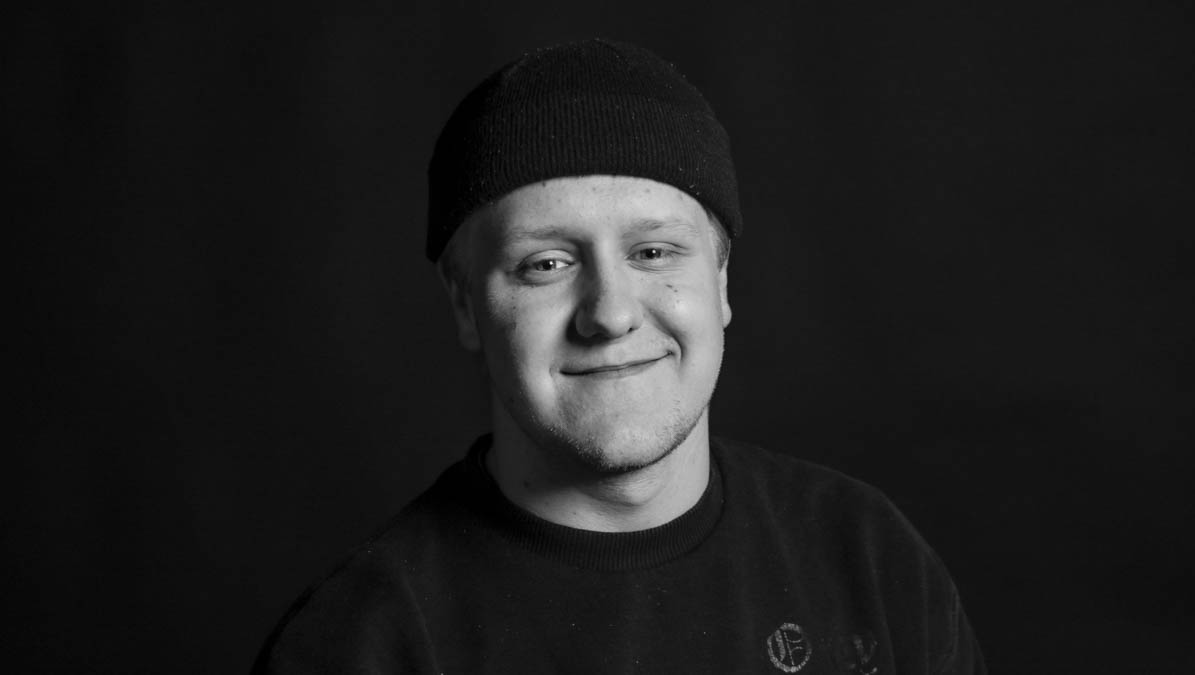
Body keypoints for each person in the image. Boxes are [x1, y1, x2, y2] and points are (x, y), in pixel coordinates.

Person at [253, 39, 986, 674]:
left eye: (654, 252)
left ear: (720, 282)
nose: (610, 312)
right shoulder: (365, 641)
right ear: (465, 304)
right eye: (546, 263)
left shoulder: (866, 557)